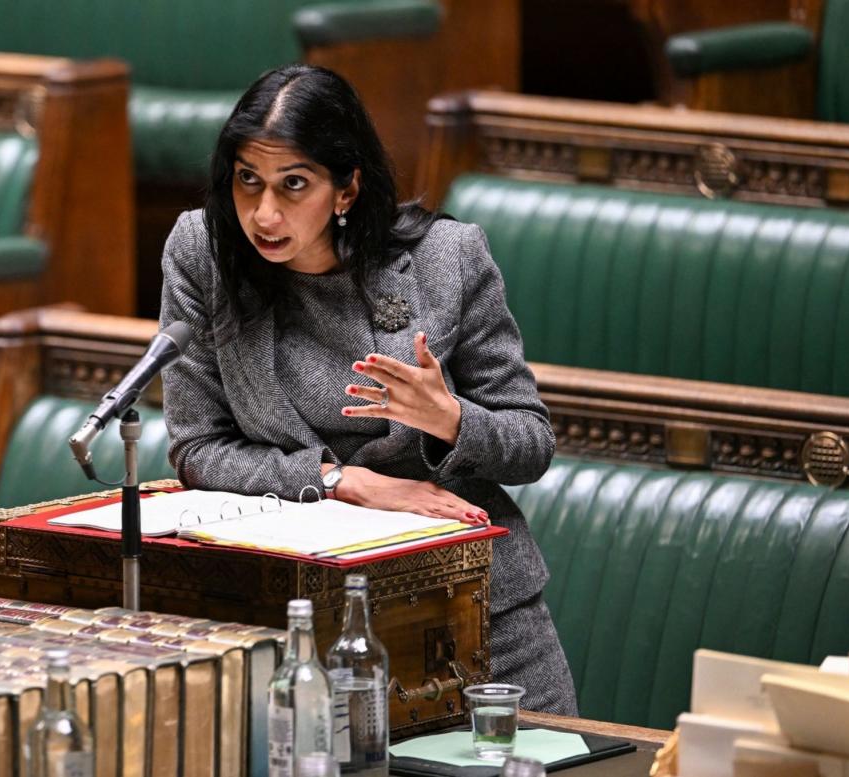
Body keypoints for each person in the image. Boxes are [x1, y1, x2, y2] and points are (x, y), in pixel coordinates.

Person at [159, 64, 578, 713]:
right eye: (248, 181)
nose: (263, 212)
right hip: (302, 624)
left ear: (347, 188)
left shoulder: (448, 259)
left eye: (293, 184)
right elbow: (196, 448)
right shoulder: (204, 254)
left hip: (468, 609)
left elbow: (532, 443)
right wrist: (339, 479)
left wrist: (450, 420)